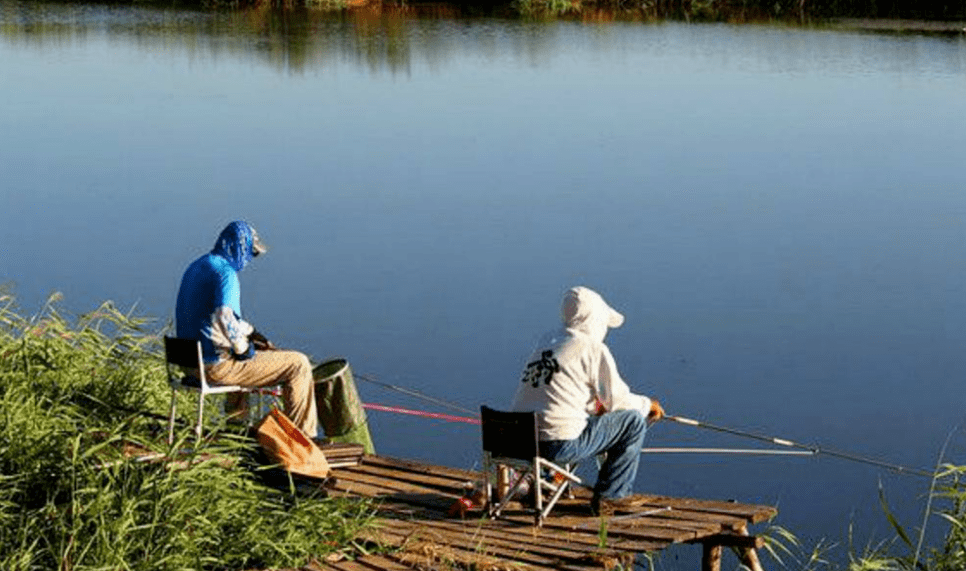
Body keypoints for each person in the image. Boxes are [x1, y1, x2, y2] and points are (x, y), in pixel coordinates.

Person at [511, 286, 663, 515]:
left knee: (585, 419)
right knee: (632, 421)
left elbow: (560, 394)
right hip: (557, 445)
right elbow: (618, 401)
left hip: (518, 443)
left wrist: (595, 406)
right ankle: (612, 496)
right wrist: (647, 405)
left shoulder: (547, 342)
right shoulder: (592, 348)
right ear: (595, 320)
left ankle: (545, 481)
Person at [175, 220, 319, 438]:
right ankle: (304, 440)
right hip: (214, 368)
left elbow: (213, 316)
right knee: (298, 364)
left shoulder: (197, 266)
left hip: (188, 363)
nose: (250, 259)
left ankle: (235, 432)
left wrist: (251, 333)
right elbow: (225, 315)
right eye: (251, 252)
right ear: (238, 247)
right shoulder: (226, 273)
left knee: (238, 358)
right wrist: (243, 348)